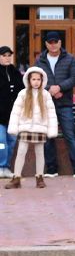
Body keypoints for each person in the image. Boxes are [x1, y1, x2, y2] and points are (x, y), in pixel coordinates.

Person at [34, 32, 75, 178]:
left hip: (65, 103)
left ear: (60, 43)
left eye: (56, 41)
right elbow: (35, 78)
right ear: (46, 44)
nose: (53, 44)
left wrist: (60, 87)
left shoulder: (70, 59)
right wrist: (50, 89)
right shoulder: (40, 60)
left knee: (70, 135)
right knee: (48, 137)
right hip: (46, 103)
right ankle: (51, 169)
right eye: (50, 42)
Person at [5, 67, 56, 190]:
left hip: (40, 128)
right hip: (25, 127)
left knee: (40, 153)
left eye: (38, 79)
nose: (36, 82)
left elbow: (51, 113)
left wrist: (52, 129)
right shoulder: (22, 93)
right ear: (29, 80)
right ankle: (16, 178)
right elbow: (15, 111)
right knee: (21, 151)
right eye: (34, 79)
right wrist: (13, 127)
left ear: (42, 80)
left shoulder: (45, 94)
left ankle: (39, 178)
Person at [1, 45, 23, 178]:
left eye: (9, 55)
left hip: (14, 116)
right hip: (0, 116)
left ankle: (7, 167)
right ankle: (1, 166)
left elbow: (22, 91)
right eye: (4, 55)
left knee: (12, 142)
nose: (7, 58)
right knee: (1, 142)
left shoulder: (15, 72)